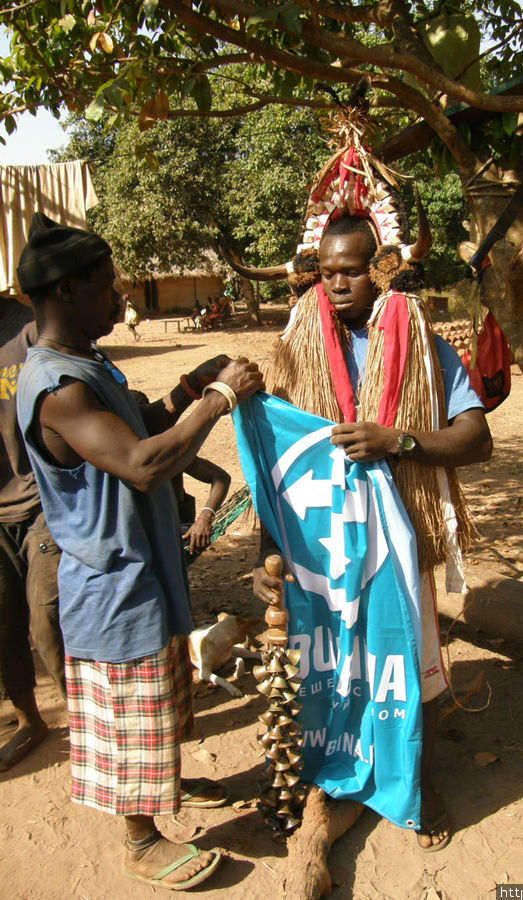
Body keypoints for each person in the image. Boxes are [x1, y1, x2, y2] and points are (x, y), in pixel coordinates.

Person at [243, 100, 492, 853]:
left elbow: (474, 441)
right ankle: (334, 781)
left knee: (401, 669)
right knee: (334, 672)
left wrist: (399, 441)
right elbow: (277, 467)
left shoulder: (422, 345)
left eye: (352, 272)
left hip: (396, 543)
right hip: (321, 555)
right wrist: (266, 552)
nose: (338, 285)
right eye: (325, 272)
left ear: (378, 271)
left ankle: (409, 781)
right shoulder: (293, 350)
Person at [15, 212, 264, 890]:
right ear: (65, 290)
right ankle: (139, 839)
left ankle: (164, 788)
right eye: (108, 285)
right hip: (111, 583)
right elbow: (141, 461)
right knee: (130, 715)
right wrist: (217, 399)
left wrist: (190, 385)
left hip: (142, 569)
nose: (122, 297)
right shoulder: (57, 386)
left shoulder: (88, 366)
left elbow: (142, 423)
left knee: (155, 699)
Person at [0, 297, 66, 772]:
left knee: (47, 619)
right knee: (3, 620)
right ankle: (30, 719)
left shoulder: (26, 329)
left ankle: (86, 718)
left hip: (39, 501)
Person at [130, 389, 231, 554]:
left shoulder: (166, 451)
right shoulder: (116, 454)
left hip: (173, 530)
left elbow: (220, 477)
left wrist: (205, 517)